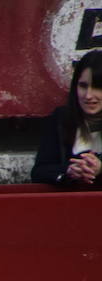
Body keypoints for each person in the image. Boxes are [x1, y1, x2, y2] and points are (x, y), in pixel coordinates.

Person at [31, 49, 102, 190]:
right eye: (83, 86)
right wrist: (69, 171)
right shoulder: (60, 119)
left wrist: (100, 169)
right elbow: (39, 172)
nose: (88, 95)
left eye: (97, 87)